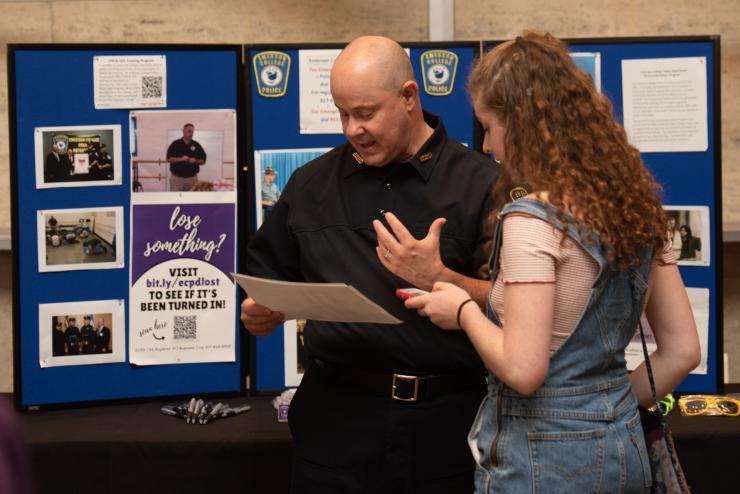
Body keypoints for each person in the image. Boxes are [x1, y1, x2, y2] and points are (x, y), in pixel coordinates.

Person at [400, 32, 701, 493]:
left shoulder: (531, 219)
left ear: (521, 125)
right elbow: (682, 353)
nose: (485, 146)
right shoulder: (637, 209)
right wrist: (605, 406)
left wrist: (461, 309)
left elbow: (523, 370)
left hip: (543, 462)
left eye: (489, 126)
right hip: (624, 449)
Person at [241, 35, 499, 492]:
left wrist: (442, 278)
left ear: (408, 97)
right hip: (335, 424)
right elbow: (267, 277)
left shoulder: (482, 183)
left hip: (447, 424)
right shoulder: (310, 184)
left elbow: (515, 307)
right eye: (343, 114)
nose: (351, 129)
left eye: (365, 113)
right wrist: (260, 311)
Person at [166, 123, 207, 191]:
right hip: (176, 179)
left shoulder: (196, 145)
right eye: (189, 131)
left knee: (191, 200)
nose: (191, 133)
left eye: (192, 132)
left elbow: (203, 160)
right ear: (183, 131)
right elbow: (169, 159)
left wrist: (196, 161)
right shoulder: (175, 144)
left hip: (192, 179)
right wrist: (181, 159)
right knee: (176, 199)